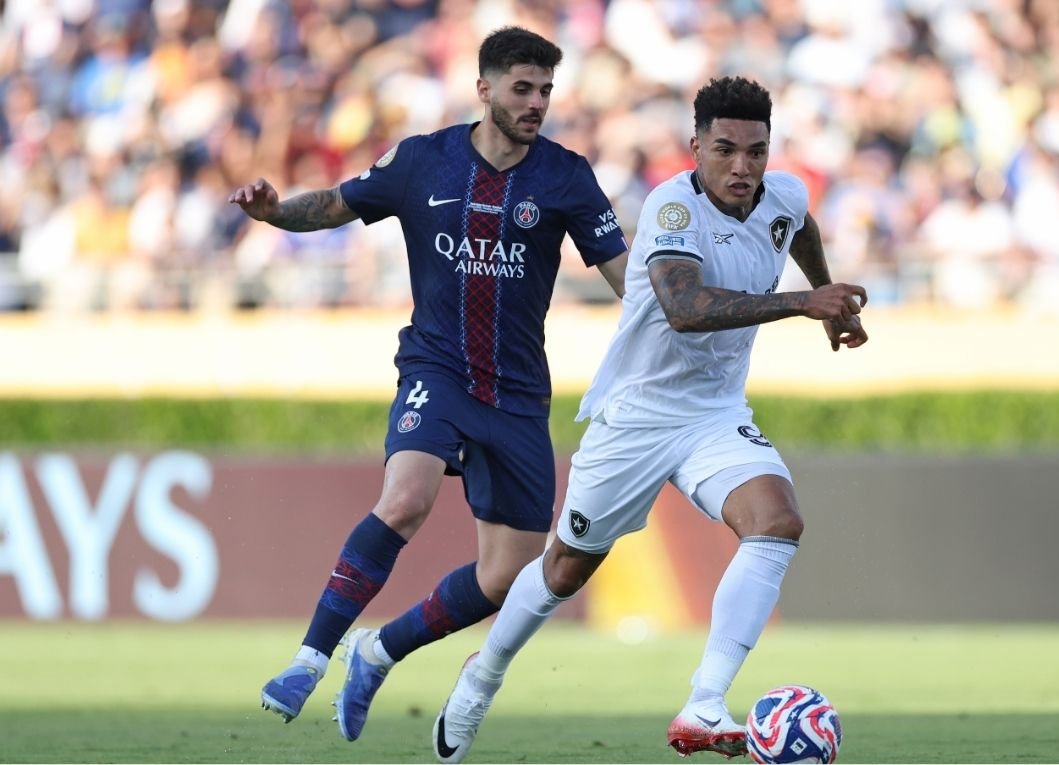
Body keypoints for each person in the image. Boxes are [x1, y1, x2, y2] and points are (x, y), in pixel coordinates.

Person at [430, 76, 868, 764]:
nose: (742, 167)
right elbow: (685, 308)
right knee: (567, 567)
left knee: (777, 521)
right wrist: (804, 301)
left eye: (756, 152)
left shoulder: (782, 194)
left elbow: (798, 225)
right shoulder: (672, 209)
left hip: (714, 413)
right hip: (634, 416)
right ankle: (482, 672)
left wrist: (831, 309)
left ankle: (703, 702)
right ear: (696, 146)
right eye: (724, 150)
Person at [227, 26, 629, 742]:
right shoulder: (423, 161)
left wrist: (703, 310)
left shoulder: (567, 176)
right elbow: (334, 205)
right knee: (406, 497)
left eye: (545, 91)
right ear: (484, 89)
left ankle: (379, 651)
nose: (536, 103)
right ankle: (308, 657)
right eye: (522, 89)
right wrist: (273, 210)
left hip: (518, 396)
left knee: (506, 578)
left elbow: (631, 282)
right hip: (437, 369)